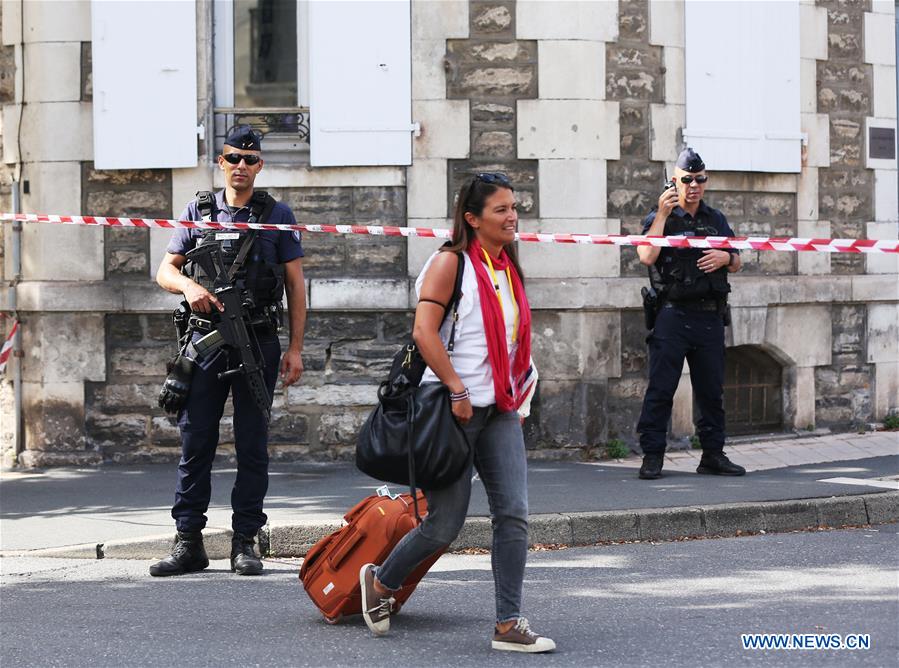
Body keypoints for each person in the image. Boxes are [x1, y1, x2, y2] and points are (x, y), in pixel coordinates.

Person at [358, 173, 554, 653]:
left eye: (514, 207)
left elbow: (510, 339)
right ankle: (381, 582)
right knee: (444, 525)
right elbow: (425, 333)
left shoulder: (507, 266)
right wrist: (457, 389)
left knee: (514, 515)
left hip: (501, 410)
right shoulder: (450, 264)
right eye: (501, 210)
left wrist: (518, 391)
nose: (513, 217)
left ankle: (508, 623)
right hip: (452, 411)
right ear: (472, 218)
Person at [149, 126, 306, 576]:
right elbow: (166, 270)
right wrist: (189, 286)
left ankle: (245, 541)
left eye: (250, 160)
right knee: (196, 440)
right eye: (234, 158)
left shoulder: (277, 214)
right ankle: (188, 542)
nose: (241, 166)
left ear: (261, 166)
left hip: (257, 340)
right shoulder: (198, 210)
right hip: (205, 341)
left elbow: (295, 287)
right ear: (221, 161)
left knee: (253, 443)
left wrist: (295, 349)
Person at [636, 148, 746, 480]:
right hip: (672, 314)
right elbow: (646, 255)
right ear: (674, 181)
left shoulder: (715, 219)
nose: (694, 185)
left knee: (712, 391)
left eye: (700, 179)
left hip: (709, 316)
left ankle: (713, 454)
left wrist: (725, 259)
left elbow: (738, 259)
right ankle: (653, 456)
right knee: (661, 389)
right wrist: (659, 214)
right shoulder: (661, 218)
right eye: (687, 180)